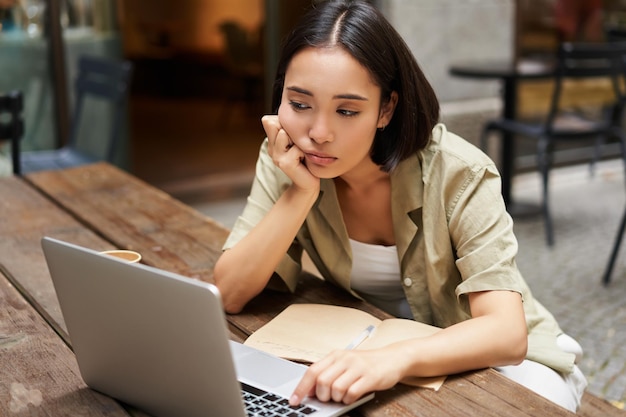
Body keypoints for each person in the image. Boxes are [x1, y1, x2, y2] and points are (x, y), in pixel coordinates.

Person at [214, 0, 587, 412]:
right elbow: (229, 293)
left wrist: (393, 359)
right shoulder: (285, 158)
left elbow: (506, 335)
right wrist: (300, 193)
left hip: (500, 365)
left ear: (386, 109)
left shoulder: (459, 173)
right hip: (368, 350)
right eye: (300, 104)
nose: (318, 133)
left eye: (347, 110)